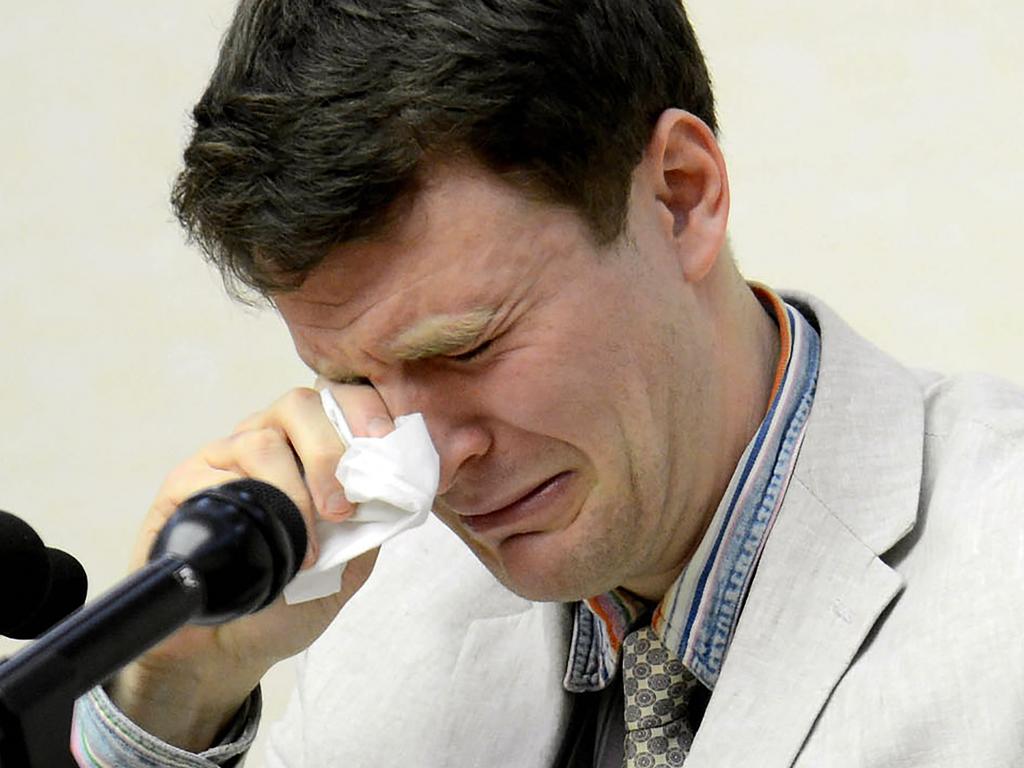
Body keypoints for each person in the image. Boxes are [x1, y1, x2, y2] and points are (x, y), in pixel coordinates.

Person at [72, 0, 1024, 766]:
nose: (431, 465)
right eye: (352, 379)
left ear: (680, 197)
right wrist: (178, 690)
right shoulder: (379, 620)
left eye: (469, 347)